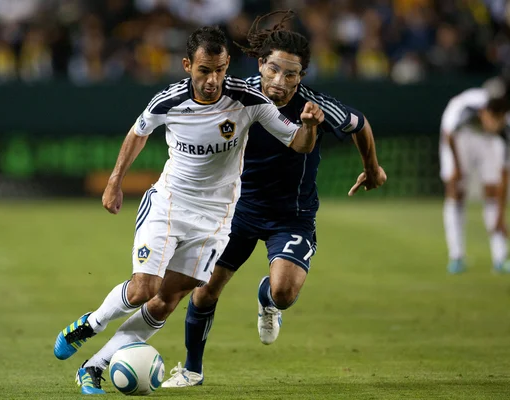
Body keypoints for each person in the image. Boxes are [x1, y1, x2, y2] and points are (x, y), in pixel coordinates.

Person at [53, 25, 325, 395]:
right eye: (204, 71)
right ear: (187, 65)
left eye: (220, 70)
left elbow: (299, 144)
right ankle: (88, 325)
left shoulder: (249, 100)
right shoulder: (167, 101)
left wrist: (309, 126)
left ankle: (94, 367)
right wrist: (115, 181)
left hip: (215, 219)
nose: (213, 80)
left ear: (228, 64)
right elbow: (138, 132)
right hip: (169, 205)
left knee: (166, 302)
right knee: (143, 289)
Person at [161, 11, 387, 387]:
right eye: (274, 70)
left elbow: (359, 124)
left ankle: (267, 301)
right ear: (260, 64)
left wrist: (373, 167)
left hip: (291, 215)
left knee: (283, 292)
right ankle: (192, 370)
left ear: (302, 76)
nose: (280, 82)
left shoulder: (315, 107)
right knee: (205, 291)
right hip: (237, 209)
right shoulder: (237, 94)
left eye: (292, 74)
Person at [440, 76, 510, 274]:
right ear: (483, 112)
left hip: (487, 142)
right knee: (456, 190)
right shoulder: (463, 110)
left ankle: (500, 258)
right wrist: (457, 168)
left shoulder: (505, 129)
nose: (495, 123)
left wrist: (501, 217)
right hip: (459, 137)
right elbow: (449, 134)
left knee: (492, 191)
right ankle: (456, 257)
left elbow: (505, 176)